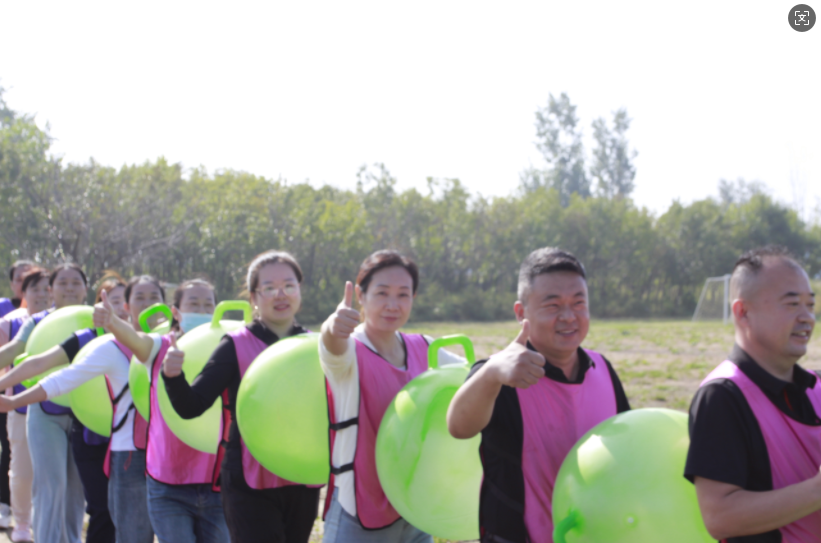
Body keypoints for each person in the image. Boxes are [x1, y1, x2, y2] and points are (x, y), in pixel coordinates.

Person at [446, 247, 630, 543]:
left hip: (595, 532)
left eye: (578, 303)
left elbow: (627, 446)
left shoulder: (602, 368)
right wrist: (491, 373)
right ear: (521, 313)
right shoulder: (500, 374)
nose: (569, 316)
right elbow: (458, 426)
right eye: (553, 305)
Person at [163, 251, 319, 543]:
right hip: (249, 479)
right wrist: (173, 377)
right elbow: (191, 406)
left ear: (299, 290)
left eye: (289, 285)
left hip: (301, 477)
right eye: (269, 288)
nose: (280, 294)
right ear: (253, 298)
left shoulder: (315, 346)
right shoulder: (235, 344)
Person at [0, 273, 164, 543]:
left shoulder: (168, 342)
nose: (146, 304)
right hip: (100, 439)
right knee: (102, 512)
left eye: (153, 298)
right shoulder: (100, 339)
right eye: (138, 298)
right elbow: (49, 370)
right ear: (123, 305)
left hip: (161, 448)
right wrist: (13, 399)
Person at [319, 249, 464, 543]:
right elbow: (332, 347)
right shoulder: (350, 350)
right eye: (382, 293)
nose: (392, 305)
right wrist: (333, 327)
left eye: (403, 295)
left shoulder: (426, 348)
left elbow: (473, 377)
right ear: (361, 295)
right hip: (358, 507)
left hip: (416, 508)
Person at [685, 246, 820, 542]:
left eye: (810, 305)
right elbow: (720, 518)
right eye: (792, 303)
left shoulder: (816, 386)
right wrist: (816, 491)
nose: (807, 317)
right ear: (743, 312)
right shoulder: (721, 396)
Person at [93, 278, 230, 543]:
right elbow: (135, 339)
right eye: (193, 304)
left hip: (217, 481)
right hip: (167, 482)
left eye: (207, 305)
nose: (201, 311)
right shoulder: (159, 347)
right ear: (175, 311)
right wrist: (112, 321)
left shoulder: (227, 348)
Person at [0, 267, 49, 542]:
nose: (41, 294)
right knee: (21, 469)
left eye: (46, 289)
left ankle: (47, 522)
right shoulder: (9, 323)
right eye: (35, 289)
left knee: (53, 473)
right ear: (24, 293)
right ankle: (21, 523)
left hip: (59, 408)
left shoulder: (67, 321)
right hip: (18, 406)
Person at [0, 260, 34, 325]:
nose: (24, 284)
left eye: (28, 279)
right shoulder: (1, 307)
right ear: (12, 285)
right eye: (19, 280)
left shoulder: (47, 308)